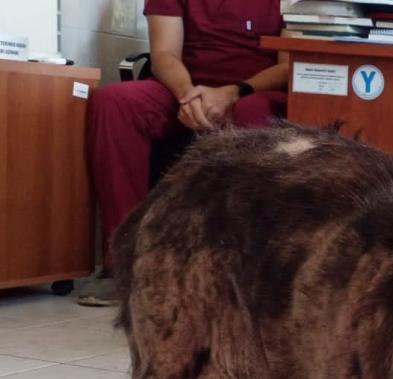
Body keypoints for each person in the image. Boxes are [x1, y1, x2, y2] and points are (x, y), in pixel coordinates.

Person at [81, 0, 289, 306]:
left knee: (250, 114)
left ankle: (238, 269)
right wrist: (188, 96)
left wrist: (232, 92)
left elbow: (288, 65)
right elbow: (164, 54)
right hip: (185, 88)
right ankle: (123, 263)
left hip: (252, 91)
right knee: (114, 102)